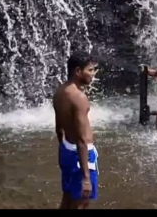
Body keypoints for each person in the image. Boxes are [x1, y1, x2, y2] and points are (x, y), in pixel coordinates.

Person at [53, 51, 99, 209]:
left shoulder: (60, 91)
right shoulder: (79, 97)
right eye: (90, 70)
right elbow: (81, 140)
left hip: (66, 150)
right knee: (82, 201)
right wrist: (86, 177)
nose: (93, 74)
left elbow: (58, 127)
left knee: (67, 199)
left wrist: (63, 150)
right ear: (78, 71)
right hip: (80, 156)